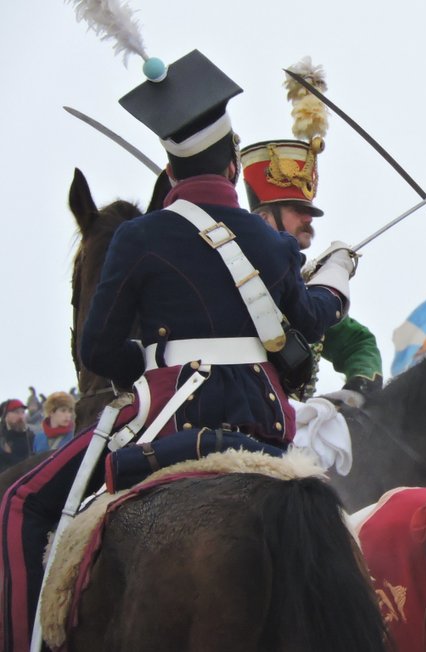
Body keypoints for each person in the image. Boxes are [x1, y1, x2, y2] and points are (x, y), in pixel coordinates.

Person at [0, 50, 356, 652]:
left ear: (169, 165)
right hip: (264, 424)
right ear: (233, 164)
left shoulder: (141, 237)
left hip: (169, 416)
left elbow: (99, 347)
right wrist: (338, 273)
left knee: (19, 504)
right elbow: (314, 316)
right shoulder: (267, 242)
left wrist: (148, 364)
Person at [240, 58, 382, 406]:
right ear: (263, 216)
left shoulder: (303, 286)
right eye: (298, 210)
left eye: (310, 211)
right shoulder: (225, 268)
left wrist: (356, 390)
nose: (309, 220)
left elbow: (356, 342)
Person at [0, 399, 33, 471]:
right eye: (16, 412)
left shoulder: (31, 437)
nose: (21, 416)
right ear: (5, 416)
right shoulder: (2, 441)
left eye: (23, 412)